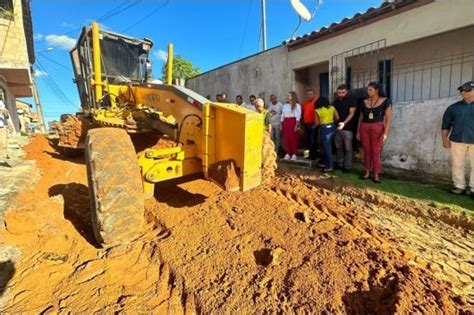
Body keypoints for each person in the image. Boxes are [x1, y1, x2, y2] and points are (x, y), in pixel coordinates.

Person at [441, 81, 474, 197]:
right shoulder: (454, 108)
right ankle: (459, 186)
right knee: (457, 164)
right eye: (462, 90)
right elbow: (446, 124)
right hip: (457, 140)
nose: (463, 92)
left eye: (466, 90)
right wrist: (445, 139)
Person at [356, 82, 392, 183]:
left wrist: (385, 133)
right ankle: (367, 172)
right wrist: (358, 131)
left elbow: (388, 119)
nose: (368, 91)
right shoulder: (364, 102)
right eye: (368, 89)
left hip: (378, 127)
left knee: (376, 151)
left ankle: (376, 174)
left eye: (370, 89)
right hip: (364, 127)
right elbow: (361, 117)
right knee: (366, 151)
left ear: (377, 90)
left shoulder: (386, 101)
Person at [333, 84, 357, 172]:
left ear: (346, 92)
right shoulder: (335, 101)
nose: (341, 94)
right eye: (339, 92)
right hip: (337, 128)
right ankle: (339, 164)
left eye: (343, 92)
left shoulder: (352, 100)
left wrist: (344, 123)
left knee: (348, 148)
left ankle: (347, 167)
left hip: (348, 128)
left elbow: (352, 113)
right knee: (338, 147)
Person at [314, 97, 339, 172]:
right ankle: (326, 163)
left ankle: (330, 166)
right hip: (332, 127)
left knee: (326, 148)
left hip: (324, 129)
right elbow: (337, 117)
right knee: (327, 146)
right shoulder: (332, 108)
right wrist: (331, 122)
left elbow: (317, 123)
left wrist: (313, 127)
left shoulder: (317, 110)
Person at [281, 91, 301, 161]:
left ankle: (294, 153)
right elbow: (282, 115)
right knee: (286, 138)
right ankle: (288, 153)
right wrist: (281, 124)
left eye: (289, 95)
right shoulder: (285, 105)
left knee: (293, 138)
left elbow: (298, 117)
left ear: (293, 97)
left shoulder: (297, 105)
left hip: (293, 122)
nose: (287, 97)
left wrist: (296, 125)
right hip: (285, 122)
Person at [301, 88, 318, 159]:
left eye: (310, 94)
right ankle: (310, 154)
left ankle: (314, 155)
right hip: (306, 124)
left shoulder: (317, 102)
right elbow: (302, 113)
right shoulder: (305, 104)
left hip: (314, 124)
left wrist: (316, 124)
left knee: (313, 140)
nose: (309, 96)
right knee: (308, 140)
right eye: (308, 94)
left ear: (314, 94)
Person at [0, 98, 11, 165]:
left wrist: (8, 123)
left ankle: (2, 159)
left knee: (3, 143)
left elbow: (5, 115)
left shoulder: (1, 102)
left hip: (2, 125)